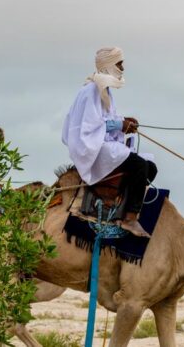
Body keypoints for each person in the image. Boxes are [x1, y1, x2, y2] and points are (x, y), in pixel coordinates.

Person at [62, 47, 157, 238]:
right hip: (92, 147)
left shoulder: (103, 91)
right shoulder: (91, 90)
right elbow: (90, 125)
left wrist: (124, 121)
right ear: (109, 65)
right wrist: (119, 124)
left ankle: (116, 205)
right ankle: (129, 219)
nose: (122, 68)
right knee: (139, 166)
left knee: (150, 167)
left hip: (102, 143)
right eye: (119, 64)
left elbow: (106, 118)